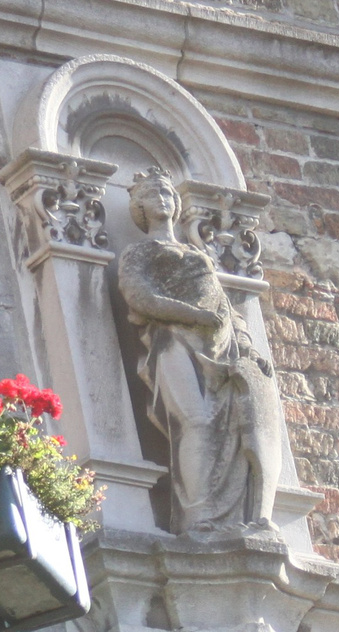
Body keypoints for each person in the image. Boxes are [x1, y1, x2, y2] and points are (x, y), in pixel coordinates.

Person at [114, 169, 280, 535]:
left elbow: (226, 307)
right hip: (172, 341)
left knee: (235, 427)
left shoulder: (195, 253)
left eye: (167, 193)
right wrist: (191, 315)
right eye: (152, 194)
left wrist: (247, 347)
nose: (162, 199)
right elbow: (139, 295)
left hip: (221, 344)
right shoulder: (139, 252)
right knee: (196, 421)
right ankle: (198, 518)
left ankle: (239, 516)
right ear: (139, 207)